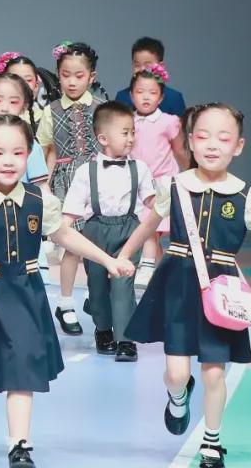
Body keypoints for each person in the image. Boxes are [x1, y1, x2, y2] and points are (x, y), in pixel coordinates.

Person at [0, 114, 133, 468]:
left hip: (25, 294)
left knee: (22, 369)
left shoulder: (41, 201)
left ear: (29, 155)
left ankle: (20, 444)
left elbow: (65, 235)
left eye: (18, 152)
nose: (8, 161)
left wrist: (108, 260)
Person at [121, 104, 251, 468]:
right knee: (177, 374)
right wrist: (125, 255)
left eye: (223, 138)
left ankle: (212, 441)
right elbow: (148, 225)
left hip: (221, 291)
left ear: (238, 146)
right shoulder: (174, 186)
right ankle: (178, 397)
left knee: (213, 372)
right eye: (203, 136)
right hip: (178, 285)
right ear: (191, 142)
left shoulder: (248, 196)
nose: (212, 145)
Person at [61, 101, 155, 361]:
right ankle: (103, 329)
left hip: (128, 231)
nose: (131, 138)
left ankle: (126, 340)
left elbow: (151, 201)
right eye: (125, 133)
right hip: (96, 232)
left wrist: (168, 203)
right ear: (103, 138)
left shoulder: (140, 168)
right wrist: (60, 231)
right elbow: (72, 208)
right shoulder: (86, 171)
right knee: (98, 285)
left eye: (133, 132)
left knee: (123, 283)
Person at [38, 40, 104, 336]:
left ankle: (95, 296)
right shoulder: (51, 111)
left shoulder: (101, 108)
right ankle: (65, 304)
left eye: (79, 75)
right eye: (66, 75)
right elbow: (47, 150)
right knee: (72, 246)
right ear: (58, 75)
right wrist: (46, 187)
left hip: (98, 181)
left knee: (99, 243)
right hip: (67, 183)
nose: (72, 81)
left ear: (92, 76)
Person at [127, 62, 188, 287]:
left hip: (161, 183)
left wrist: (189, 174)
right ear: (131, 95)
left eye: (152, 93)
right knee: (145, 229)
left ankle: (146, 267)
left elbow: (179, 150)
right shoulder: (128, 121)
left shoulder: (169, 122)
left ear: (161, 97)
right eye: (140, 92)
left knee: (150, 228)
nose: (146, 97)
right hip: (137, 183)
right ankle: (161, 276)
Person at [114, 37, 186, 116]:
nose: (142, 70)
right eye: (137, 65)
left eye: (147, 65)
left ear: (161, 66)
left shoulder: (174, 98)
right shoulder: (122, 96)